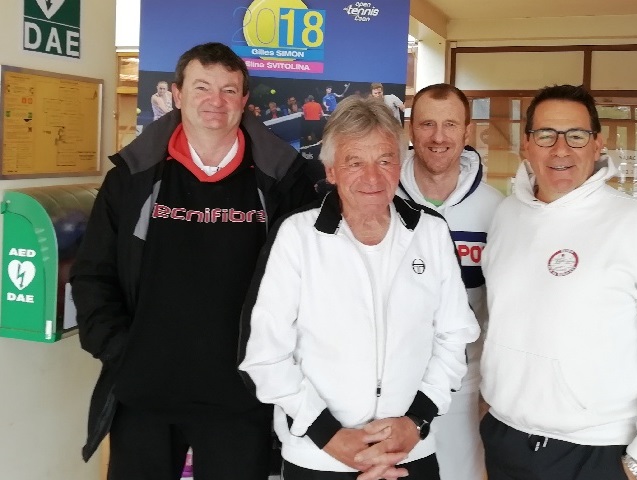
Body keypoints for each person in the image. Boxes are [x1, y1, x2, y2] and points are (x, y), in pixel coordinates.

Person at [70, 42, 317, 480]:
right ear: (178, 94)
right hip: (145, 393)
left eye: (228, 89)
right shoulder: (132, 177)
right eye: (202, 87)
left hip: (242, 395)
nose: (215, 101)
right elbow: (93, 274)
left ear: (244, 99)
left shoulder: (282, 181)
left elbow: (306, 284)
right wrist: (121, 352)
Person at [239, 95, 480, 480]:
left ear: (399, 165)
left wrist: (415, 423)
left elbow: (454, 338)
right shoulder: (297, 236)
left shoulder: (431, 233)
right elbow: (265, 357)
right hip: (320, 459)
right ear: (331, 170)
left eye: (384, 160)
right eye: (355, 162)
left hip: (410, 453)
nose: (372, 177)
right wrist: (329, 437)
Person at [479, 84, 637, 480]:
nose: (561, 149)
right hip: (506, 439)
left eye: (576, 135)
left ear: (597, 144)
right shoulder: (506, 216)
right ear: (527, 145)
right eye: (546, 135)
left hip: (597, 450)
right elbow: (497, 320)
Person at [396, 83, 503, 480]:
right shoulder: (382, 198)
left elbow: (504, 307)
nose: (438, 137)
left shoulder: (496, 210)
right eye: (427, 124)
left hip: (465, 389)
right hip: (392, 388)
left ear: (467, 131)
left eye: (450, 125)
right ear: (410, 129)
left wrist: (494, 388)